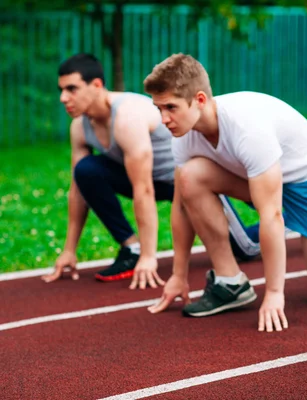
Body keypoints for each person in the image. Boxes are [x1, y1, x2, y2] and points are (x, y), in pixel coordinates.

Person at [143, 53, 307, 332]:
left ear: (198, 100)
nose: (164, 119)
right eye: (158, 109)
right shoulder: (184, 136)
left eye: (170, 108)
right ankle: (229, 281)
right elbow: (180, 207)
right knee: (190, 178)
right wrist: (178, 274)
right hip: (260, 180)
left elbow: (271, 215)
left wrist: (273, 293)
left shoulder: (247, 130)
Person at [42, 53, 260, 289]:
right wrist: (69, 250)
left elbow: (142, 189)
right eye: (61, 90)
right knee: (85, 171)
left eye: (72, 89)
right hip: (150, 181)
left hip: (188, 180)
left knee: (245, 248)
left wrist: (150, 256)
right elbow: (78, 191)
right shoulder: (80, 128)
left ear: (96, 85)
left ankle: (286, 218)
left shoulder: (127, 117)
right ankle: (131, 246)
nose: (64, 98)